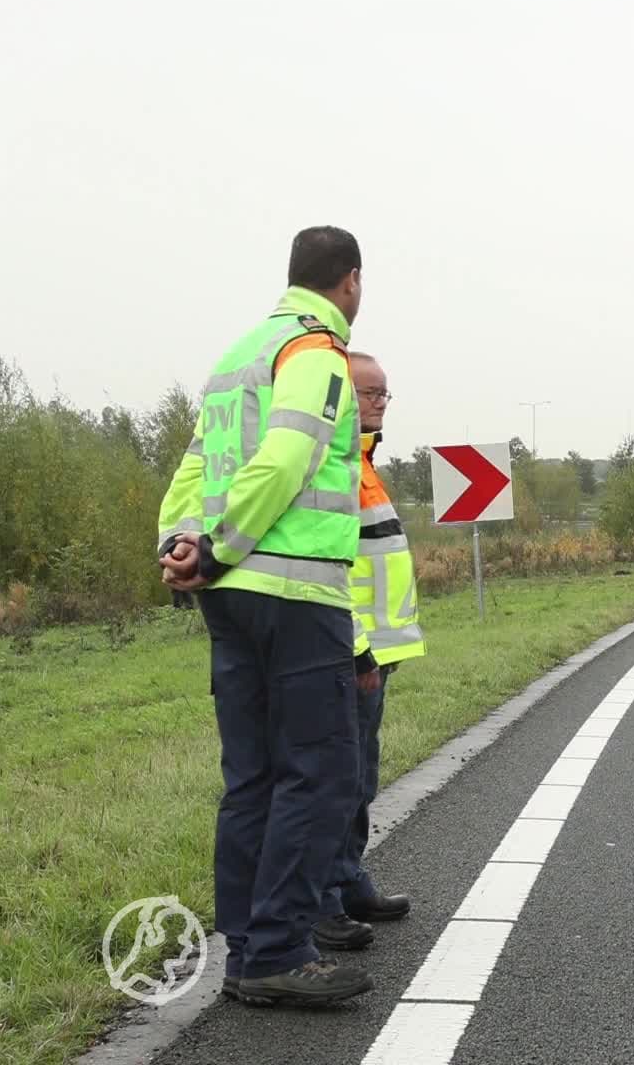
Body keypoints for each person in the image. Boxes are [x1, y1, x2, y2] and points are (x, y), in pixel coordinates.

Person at [156, 226, 376, 1007]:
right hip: (294, 591)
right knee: (318, 770)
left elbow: (194, 466)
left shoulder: (237, 357)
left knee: (250, 777)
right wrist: (215, 546)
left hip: (229, 596)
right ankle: (280, 949)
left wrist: (180, 545)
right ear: (350, 281)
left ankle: (249, 949)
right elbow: (287, 459)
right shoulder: (315, 353)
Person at [318, 351, 424, 943]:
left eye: (385, 393)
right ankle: (325, 898)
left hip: (374, 651)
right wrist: (358, 650)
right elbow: (331, 568)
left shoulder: (364, 464)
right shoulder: (335, 466)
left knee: (361, 772)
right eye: (368, 392)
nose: (379, 402)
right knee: (337, 775)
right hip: (349, 650)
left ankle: (349, 877)